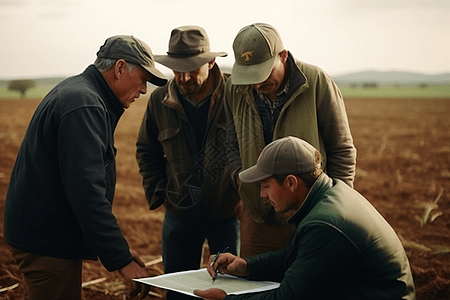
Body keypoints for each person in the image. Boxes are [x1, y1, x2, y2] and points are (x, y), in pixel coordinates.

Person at [4, 35, 167, 300]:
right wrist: (121, 261)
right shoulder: (85, 105)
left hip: (45, 235)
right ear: (120, 68)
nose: (145, 90)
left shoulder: (80, 93)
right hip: (48, 244)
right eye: (144, 79)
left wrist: (119, 250)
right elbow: (86, 192)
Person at [194, 136, 416, 300]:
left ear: (291, 183)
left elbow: (288, 298)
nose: (262, 195)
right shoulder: (330, 193)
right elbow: (296, 258)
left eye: (265, 186)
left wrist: (226, 299)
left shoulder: (325, 224)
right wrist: (247, 266)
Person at [225, 22, 357, 257]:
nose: (256, 84)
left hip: (310, 216)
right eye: (249, 76)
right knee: (253, 286)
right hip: (258, 216)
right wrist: (239, 178)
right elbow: (230, 141)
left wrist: (336, 208)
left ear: (283, 56)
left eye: (262, 74)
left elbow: (342, 150)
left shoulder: (317, 82)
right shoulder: (234, 90)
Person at [136, 26, 240, 300]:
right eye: (176, 69)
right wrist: (161, 194)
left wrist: (247, 198)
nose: (183, 77)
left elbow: (256, 149)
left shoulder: (237, 94)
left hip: (229, 215)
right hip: (179, 217)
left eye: (191, 69)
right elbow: (147, 151)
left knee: (231, 291)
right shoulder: (159, 100)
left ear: (211, 62)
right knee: (179, 291)